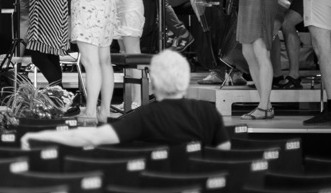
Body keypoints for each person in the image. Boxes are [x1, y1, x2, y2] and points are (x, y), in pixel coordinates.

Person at [20, 50, 230, 150]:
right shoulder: (209, 112)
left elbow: (93, 137)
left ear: (154, 82)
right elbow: (223, 156)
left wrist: (43, 135)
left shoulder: (146, 116)